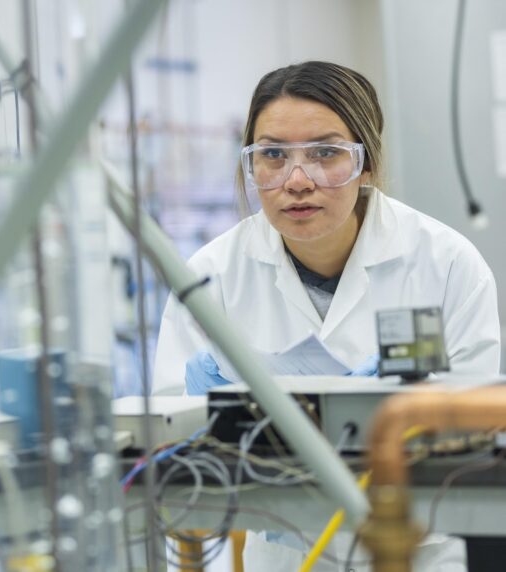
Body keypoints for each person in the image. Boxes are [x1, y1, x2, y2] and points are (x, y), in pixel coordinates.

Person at [152, 61, 500, 397]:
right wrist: (198, 408)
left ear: (366, 164)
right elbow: (169, 429)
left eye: (324, 152)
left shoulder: (448, 264)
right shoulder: (210, 276)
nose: (298, 181)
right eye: (273, 154)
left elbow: (475, 420)